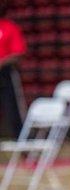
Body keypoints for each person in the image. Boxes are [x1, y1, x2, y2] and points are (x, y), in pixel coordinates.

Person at [0, 0, 27, 138]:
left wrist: (2, 62)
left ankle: (21, 142)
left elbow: (18, 53)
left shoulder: (9, 27)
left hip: (5, 73)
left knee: (13, 110)